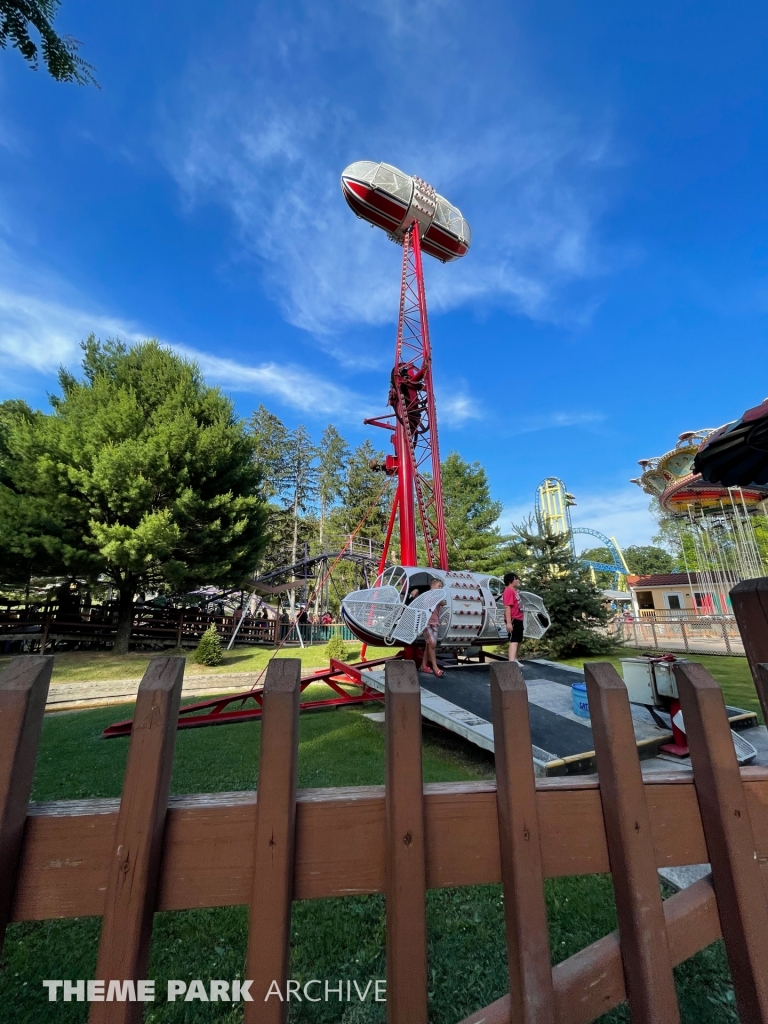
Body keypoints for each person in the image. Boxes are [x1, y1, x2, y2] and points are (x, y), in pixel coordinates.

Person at [420, 578, 446, 677]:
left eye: (441, 587)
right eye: (439, 586)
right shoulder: (427, 595)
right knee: (432, 644)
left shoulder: (439, 596)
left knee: (429, 645)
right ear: (432, 585)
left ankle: (423, 665)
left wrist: (439, 598)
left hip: (435, 623)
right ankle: (435, 667)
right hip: (427, 622)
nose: (440, 588)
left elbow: (443, 603)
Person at [503, 572, 524, 663]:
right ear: (510, 581)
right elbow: (507, 607)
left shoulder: (514, 591)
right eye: (515, 579)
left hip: (519, 619)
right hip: (513, 619)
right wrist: (509, 623)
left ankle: (514, 659)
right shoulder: (508, 591)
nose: (517, 580)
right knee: (514, 640)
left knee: (519, 640)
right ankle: (511, 663)